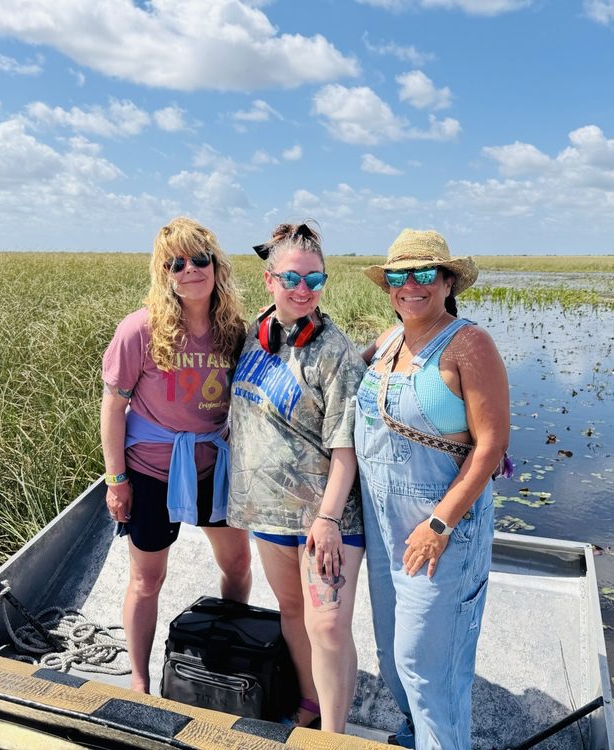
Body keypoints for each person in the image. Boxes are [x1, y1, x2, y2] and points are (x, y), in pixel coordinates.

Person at [355, 229, 510, 750]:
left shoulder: (469, 344)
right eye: (398, 276)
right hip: (383, 529)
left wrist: (439, 524)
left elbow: (490, 446)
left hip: (441, 531)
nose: (410, 285)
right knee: (393, 653)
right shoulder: (388, 341)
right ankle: (415, 734)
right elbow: (336, 374)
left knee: (429, 668)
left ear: (447, 282)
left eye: (424, 273)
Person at [101, 216, 252, 694]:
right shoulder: (139, 330)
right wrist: (116, 480)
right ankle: (140, 679)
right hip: (151, 470)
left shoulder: (234, 330)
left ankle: (230, 654)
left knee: (238, 566)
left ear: (216, 266)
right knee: (147, 579)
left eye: (200, 260)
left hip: (212, 466)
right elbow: (113, 408)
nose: (190, 270)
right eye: (176, 263)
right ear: (163, 273)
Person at [227, 222, 367, 733]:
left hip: (325, 518)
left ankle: (333, 735)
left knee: (327, 625)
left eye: (314, 279)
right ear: (270, 280)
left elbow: (346, 448)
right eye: (291, 278)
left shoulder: (335, 352)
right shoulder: (253, 336)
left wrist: (327, 519)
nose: (303, 290)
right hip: (266, 510)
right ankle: (310, 701)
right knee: (291, 611)